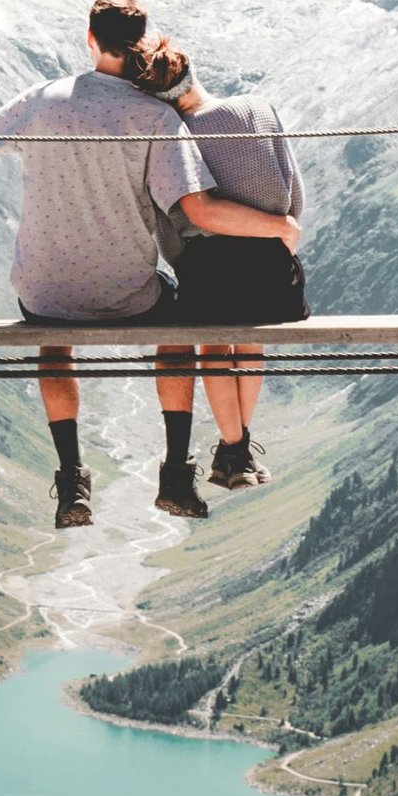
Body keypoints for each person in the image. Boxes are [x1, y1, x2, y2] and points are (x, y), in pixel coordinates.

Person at [0, 0, 301, 530]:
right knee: (178, 325)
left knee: (53, 337)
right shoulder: (154, 116)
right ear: (141, 41)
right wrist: (280, 227)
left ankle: (72, 477)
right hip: (127, 293)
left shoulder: (43, 99)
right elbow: (197, 208)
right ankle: (175, 473)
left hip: (43, 289)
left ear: (89, 38)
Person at [127, 46, 308, 491]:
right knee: (251, 344)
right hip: (274, 269)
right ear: (191, 71)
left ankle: (236, 447)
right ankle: (236, 451)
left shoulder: (171, 135)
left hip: (209, 270)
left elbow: (170, 227)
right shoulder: (257, 108)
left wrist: (184, 259)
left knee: (213, 348)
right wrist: (277, 233)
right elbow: (294, 196)